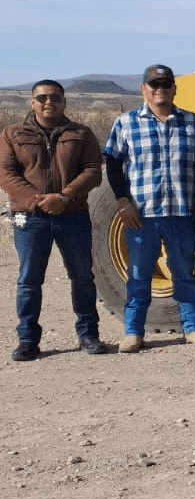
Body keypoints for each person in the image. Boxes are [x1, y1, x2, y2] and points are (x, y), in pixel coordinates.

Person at [1, 80, 110, 360]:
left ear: (64, 102)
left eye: (55, 97)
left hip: (72, 215)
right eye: (42, 97)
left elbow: (92, 171)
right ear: (32, 102)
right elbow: (6, 174)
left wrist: (63, 196)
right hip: (31, 217)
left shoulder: (81, 133)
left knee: (82, 277)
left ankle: (88, 335)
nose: (48, 102)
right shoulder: (13, 134)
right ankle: (27, 340)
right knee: (29, 280)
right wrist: (38, 200)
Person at [102, 64, 195, 352]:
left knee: (184, 272)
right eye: (153, 84)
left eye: (165, 84)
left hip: (182, 212)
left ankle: (192, 327)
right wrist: (122, 201)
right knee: (139, 275)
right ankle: (133, 331)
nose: (159, 89)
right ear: (144, 89)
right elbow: (112, 163)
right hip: (142, 215)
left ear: (175, 88)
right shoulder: (127, 123)